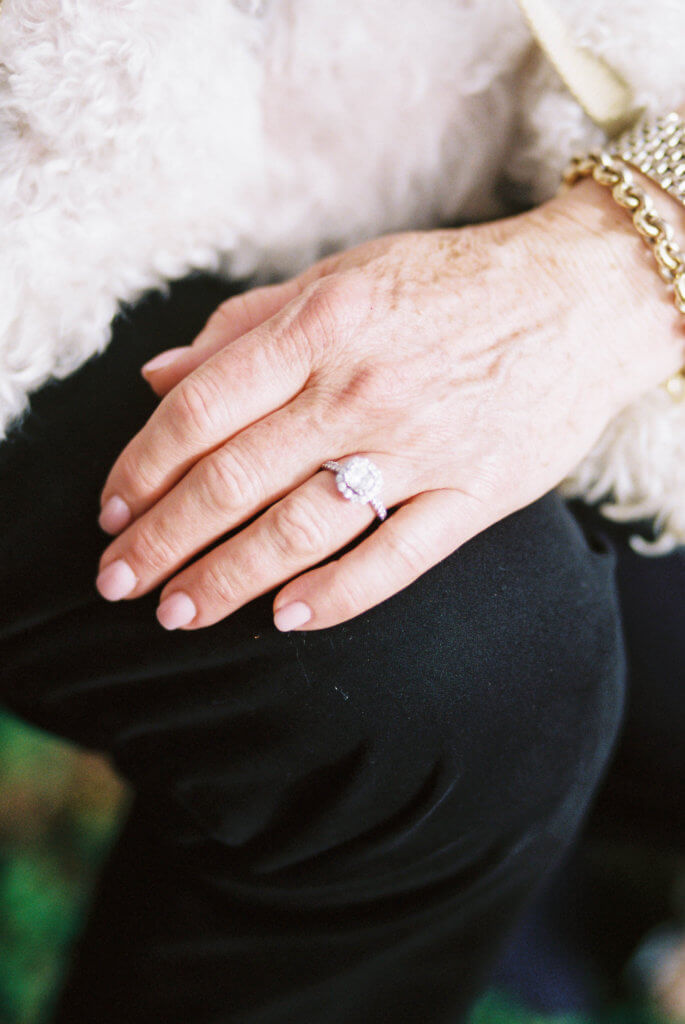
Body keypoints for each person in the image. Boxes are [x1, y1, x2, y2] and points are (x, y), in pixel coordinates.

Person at [0, 1, 683, 1021]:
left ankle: (546, 894)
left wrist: (622, 257)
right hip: (56, 160)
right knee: (461, 655)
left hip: (504, 106)